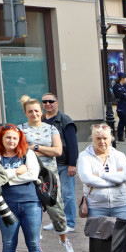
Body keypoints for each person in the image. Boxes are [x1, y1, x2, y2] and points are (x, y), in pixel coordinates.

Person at [0, 124, 47, 252]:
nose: (11, 141)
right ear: (1, 138)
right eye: (8, 137)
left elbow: (32, 175)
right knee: (8, 243)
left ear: (20, 140)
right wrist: (17, 172)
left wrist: (5, 176)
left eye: (14, 138)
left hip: (30, 202)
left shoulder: (27, 153)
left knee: (33, 243)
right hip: (5, 205)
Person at [78, 123, 126, 252]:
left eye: (105, 138)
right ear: (92, 138)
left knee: (122, 239)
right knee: (98, 241)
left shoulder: (119, 155)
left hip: (120, 203)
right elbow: (87, 178)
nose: (102, 141)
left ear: (111, 138)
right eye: (98, 138)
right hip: (96, 203)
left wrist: (100, 174)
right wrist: (113, 180)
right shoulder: (84, 156)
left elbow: (125, 175)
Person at [20, 96, 71, 252]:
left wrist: (34, 147)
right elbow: (19, 151)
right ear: (26, 113)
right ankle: (36, 244)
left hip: (49, 175)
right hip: (29, 173)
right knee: (32, 209)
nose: (34, 114)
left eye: (36, 111)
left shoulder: (51, 129)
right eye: (30, 112)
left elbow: (57, 151)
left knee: (56, 209)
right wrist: (41, 150)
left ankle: (64, 239)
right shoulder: (20, 129)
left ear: (41, 112)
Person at [41, 93, 79, 232]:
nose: (48, 104)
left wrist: (72, 164)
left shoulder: (65, 120)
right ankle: (57, 221)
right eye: (45, 102)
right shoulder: (42, 120)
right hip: (48, 164)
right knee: (53, 194)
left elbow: (72, 144)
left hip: (63, 163)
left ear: (57, 103)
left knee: (67, 194)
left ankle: (69, 222)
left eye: (51, 101)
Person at [111, 73, 126, 142]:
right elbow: (122, 95)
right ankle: (120, 136)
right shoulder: (116, 86)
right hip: (122, 105)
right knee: (122, 121)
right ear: (122, 78)